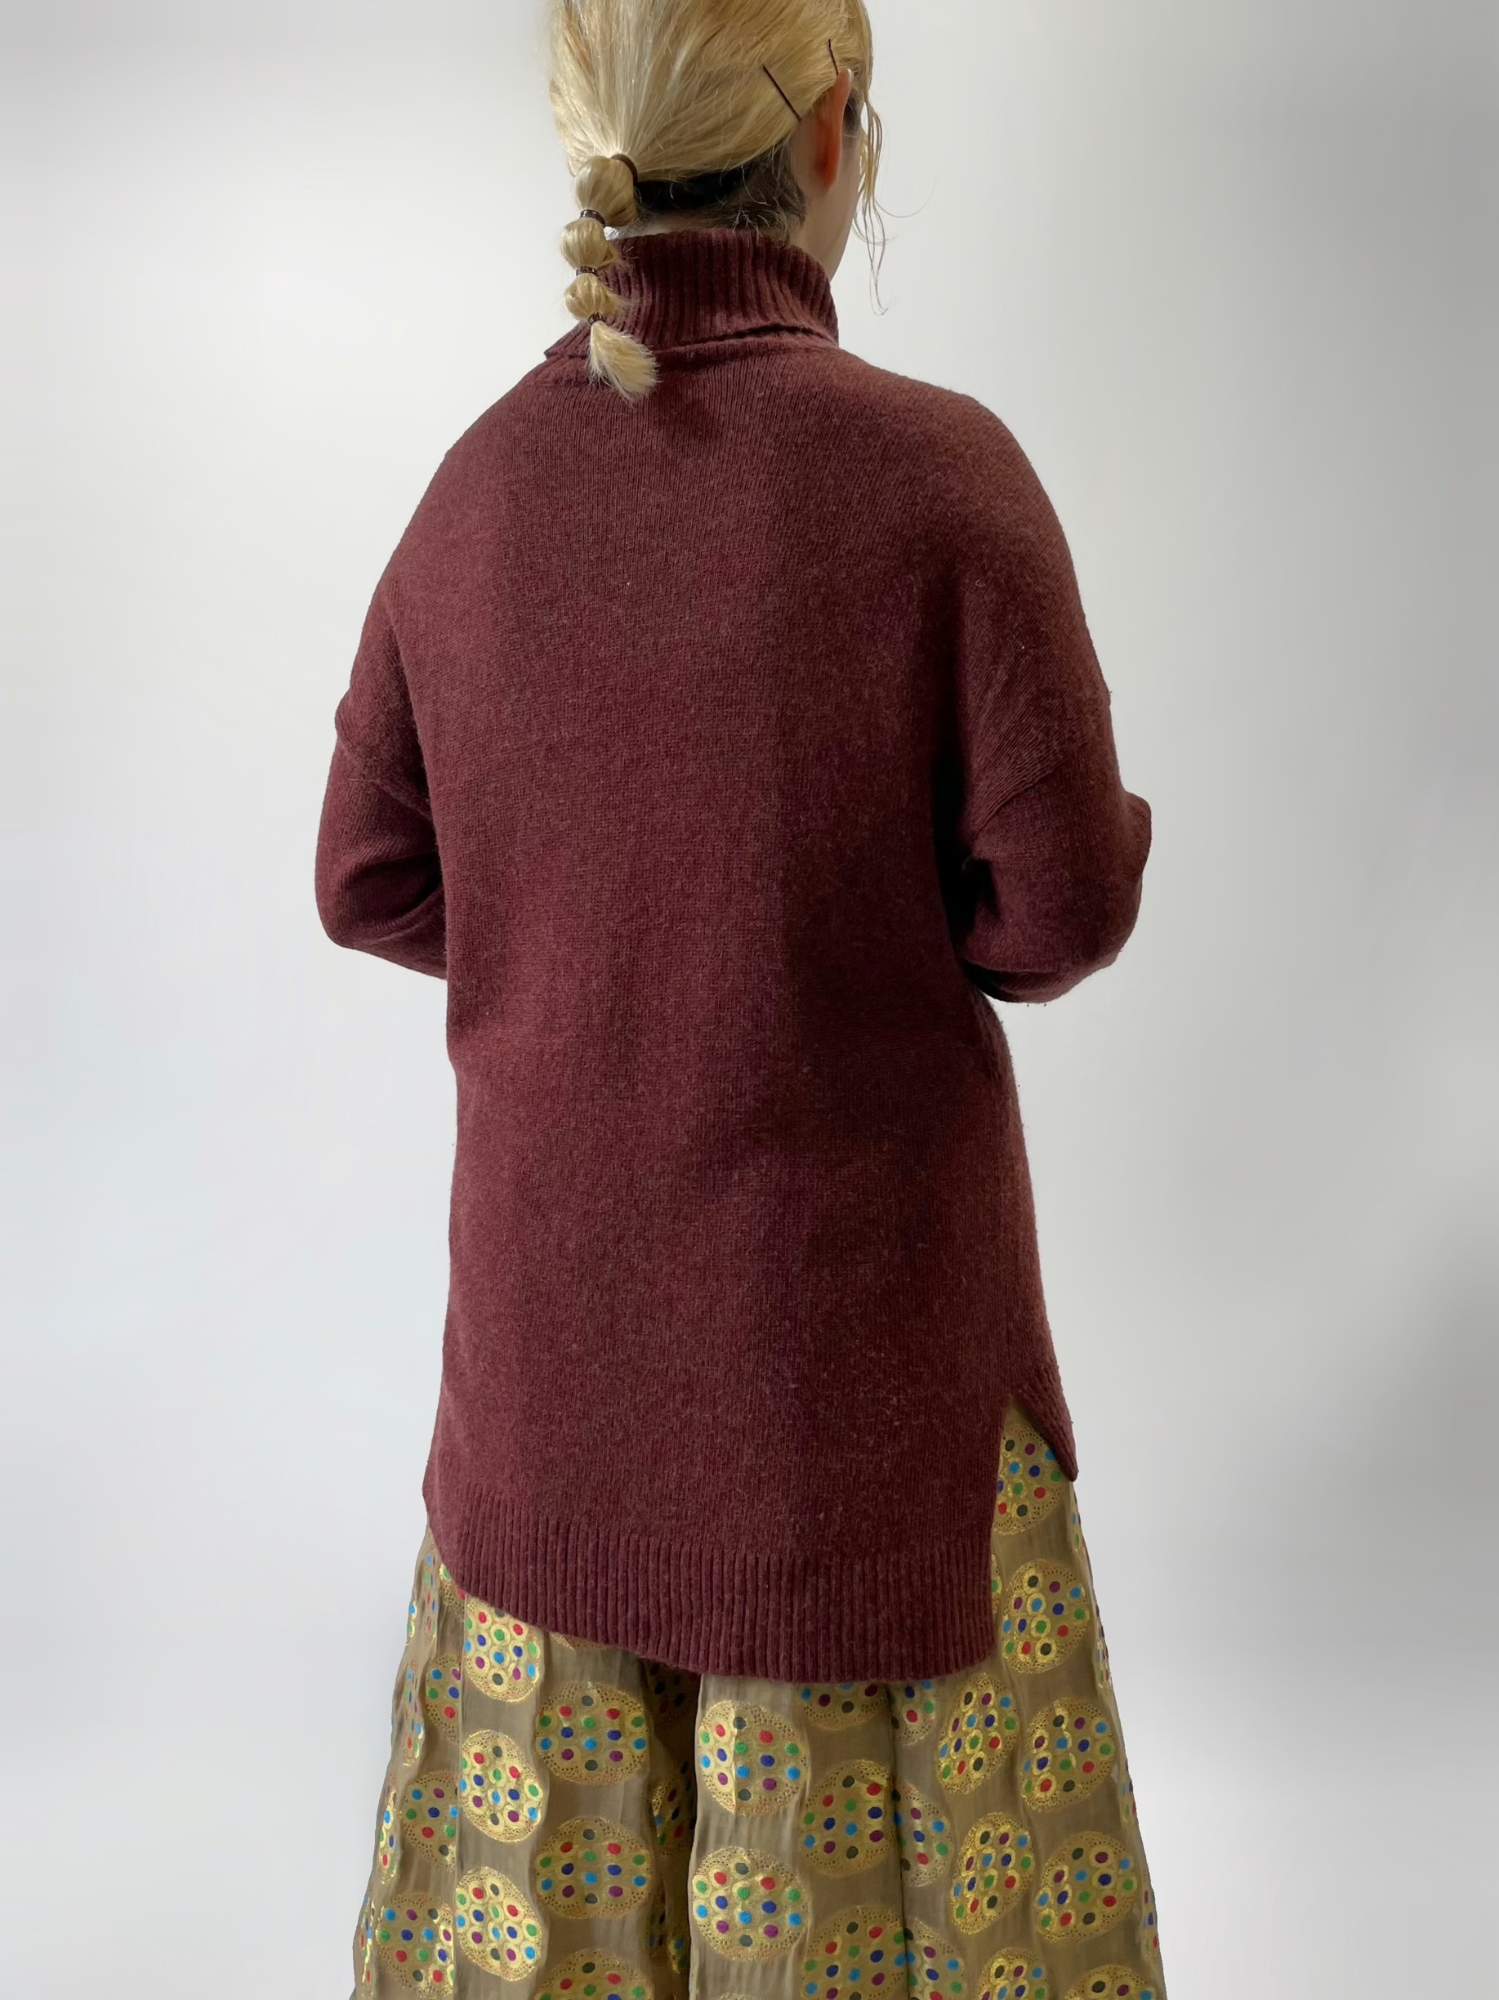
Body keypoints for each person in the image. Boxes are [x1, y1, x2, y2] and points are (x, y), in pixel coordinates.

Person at [315, 4, 1165, 1995]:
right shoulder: (940, 483)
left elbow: (370, 877)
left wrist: (593, 950)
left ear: (590, 143)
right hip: (857, 1438)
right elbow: (1058, 907)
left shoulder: (475, 492)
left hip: (547, 1418)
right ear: (835, 129)